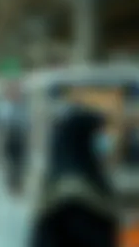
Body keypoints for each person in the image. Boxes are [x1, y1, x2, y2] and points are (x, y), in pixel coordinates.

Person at [31, 105, 118, 247]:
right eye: (97, 135)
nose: (105, 141)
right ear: (82, 140)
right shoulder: (75, 197)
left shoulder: (60, 183)